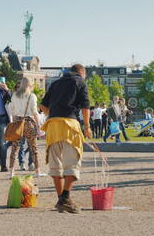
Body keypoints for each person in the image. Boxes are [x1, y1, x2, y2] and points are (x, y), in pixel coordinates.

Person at [40, 64, 92, 214]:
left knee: (55, 165)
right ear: (82, 73)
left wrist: (54, 113)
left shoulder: (55, 83)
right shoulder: (81, 82)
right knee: (73, 163)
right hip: (70, 125)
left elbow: (43, 106)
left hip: (53, 126)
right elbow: (85, 106)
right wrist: (87, 126)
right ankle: (65, 198)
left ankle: (61, 200)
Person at [8, 77, 45, 178]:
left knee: (15, 148)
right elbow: (35, 112)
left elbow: (11, 109)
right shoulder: (31, 96)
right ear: (29, 85)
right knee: (33, 147)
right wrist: (38, 126)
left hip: (17, 122)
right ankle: (37, 171)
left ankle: (11, 171)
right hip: (29, 122)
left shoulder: (15, 95)